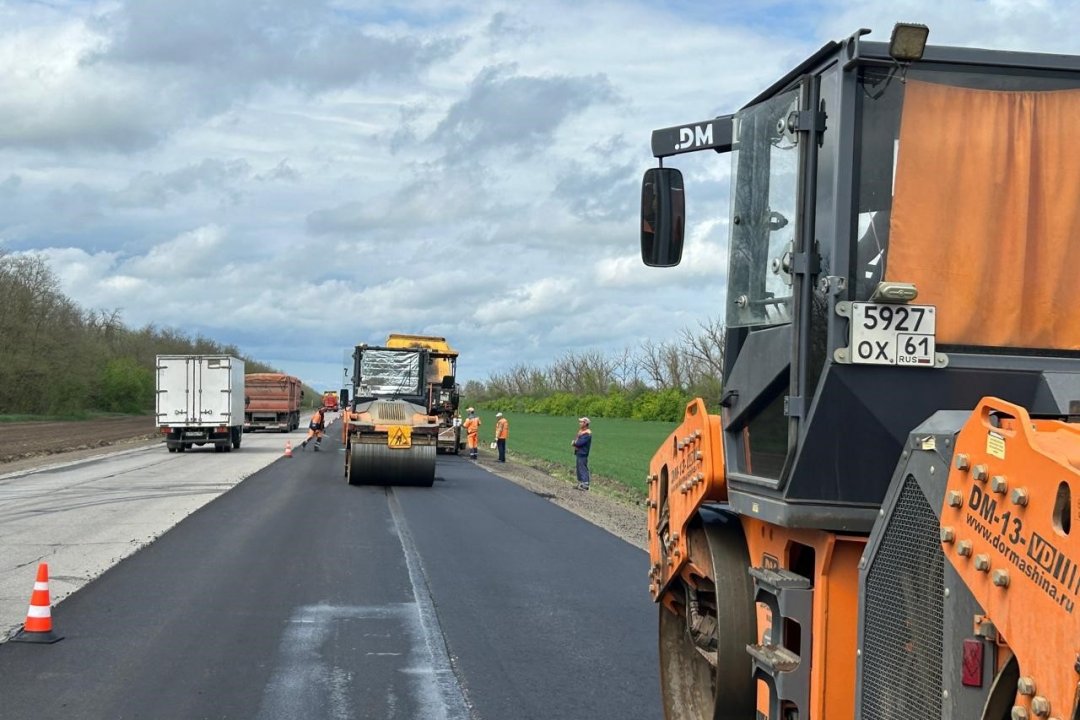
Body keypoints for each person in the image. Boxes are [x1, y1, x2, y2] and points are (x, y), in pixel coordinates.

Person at [571, 416, 592, 490]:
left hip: (583, 452)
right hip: (579, 452)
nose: (580, 423)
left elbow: (580, 443)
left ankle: (585, 484)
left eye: (581, 422)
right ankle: (581, 482)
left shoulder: (587, 433)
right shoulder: (582, 431)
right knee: (579, 467)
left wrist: (574, 443)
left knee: (582, 467)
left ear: (585, 423)